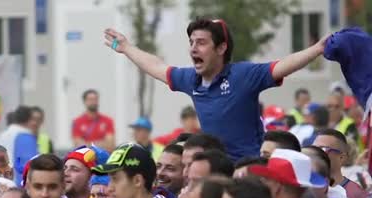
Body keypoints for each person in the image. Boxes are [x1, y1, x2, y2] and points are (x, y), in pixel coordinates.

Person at [105, 18, 330, 160]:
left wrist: (318, 48)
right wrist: (126, 47)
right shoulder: (190, 79)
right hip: (215, 169)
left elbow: (282, 66)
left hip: (249, 167)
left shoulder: (243, 75)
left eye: (201, 42)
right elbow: (156, 66)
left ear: (221, 47)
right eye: (191, 42)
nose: (193, 48)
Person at [313, 128, 367, 198]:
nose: (315, 153)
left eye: (323, 149)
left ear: (341, 157)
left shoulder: (357, 195)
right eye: (313, 148)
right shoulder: (306, 190)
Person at [0, 106, 38, 184]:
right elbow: (31, 163)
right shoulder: (26, 137)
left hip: (2, 181)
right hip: (19, 183)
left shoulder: (2, 136)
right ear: (29, 119)